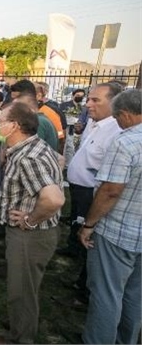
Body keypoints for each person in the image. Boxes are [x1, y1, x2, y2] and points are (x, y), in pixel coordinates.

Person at [0, 102, 64, 344]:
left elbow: (54, 199)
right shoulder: (34, 147)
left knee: (22, 291)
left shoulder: (28, 158)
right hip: (35, 234)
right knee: (26, 287)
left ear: (14, 126)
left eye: (0, 121)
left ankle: (20, 338)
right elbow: (60, 160)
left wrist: (30, 220)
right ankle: (20, 323)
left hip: (29, 235)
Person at [78, 89, 141, 345]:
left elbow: (110, 191)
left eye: (116, 116)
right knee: (135, 296)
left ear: (125, 114)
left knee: (106, 295)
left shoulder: (125, 141)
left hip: (118, 233)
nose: (115, 121)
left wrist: (88, 225)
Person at [56, 83, 123, 306]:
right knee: (77, 226)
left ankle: (85, 290)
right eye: (89, 99)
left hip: (92, 192)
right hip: (78, 188)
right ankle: (78, 271)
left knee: (89, 237)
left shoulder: (116, 131)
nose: (88, 104)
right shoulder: (94, 124)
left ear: (114, 103)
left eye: (96, 100)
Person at [10, 80, 59, 152]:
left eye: (17, 98)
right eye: (12, 99)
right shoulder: (36, 119)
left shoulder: (37, 122)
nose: (13, 102)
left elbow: (30, 152)